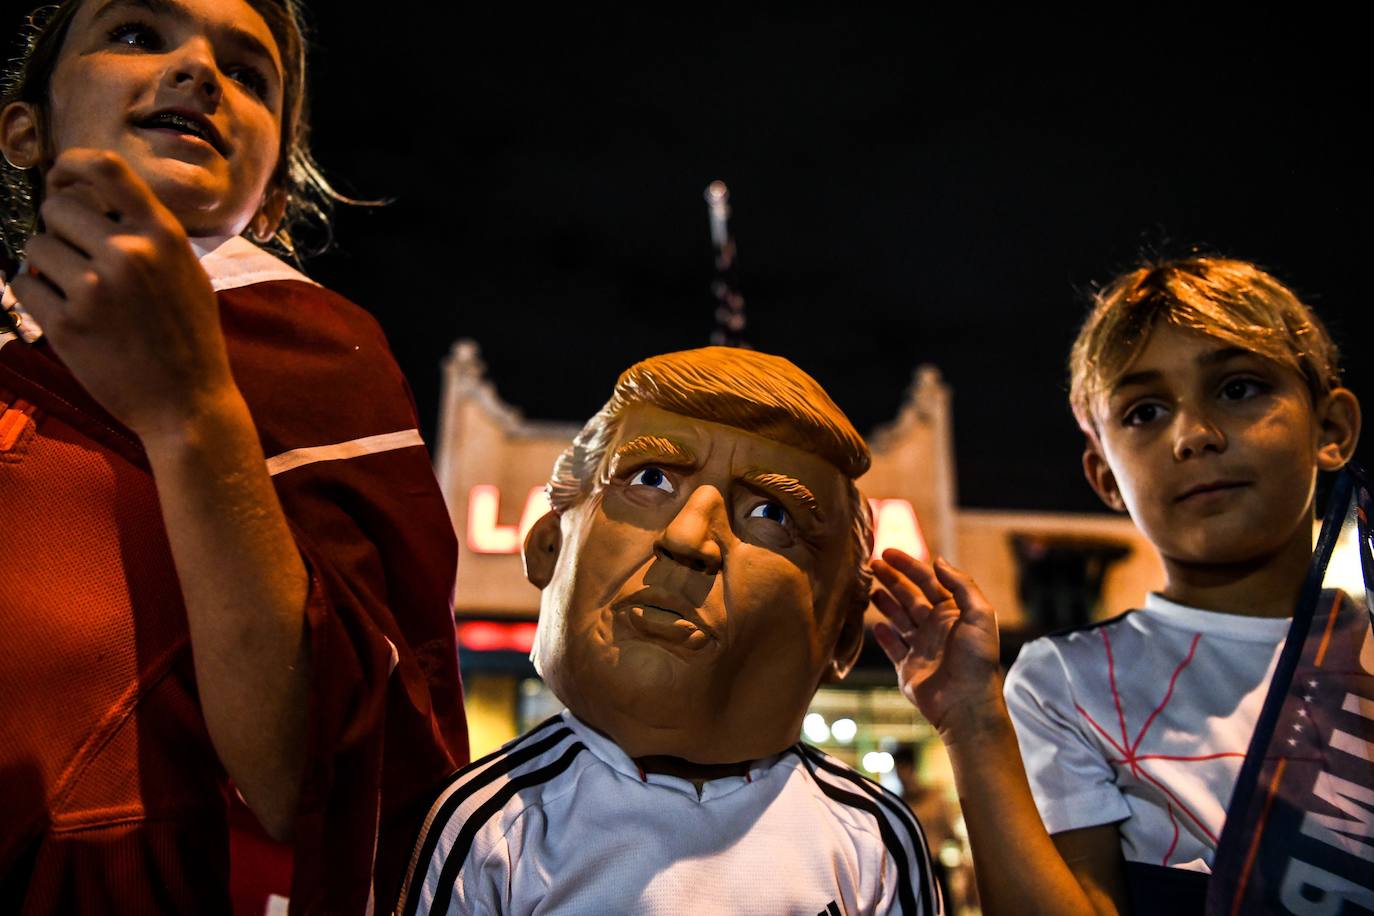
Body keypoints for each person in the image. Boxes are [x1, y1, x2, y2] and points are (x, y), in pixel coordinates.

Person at [0, 1, 467, 912]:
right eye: (136, 33)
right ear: (24, 128)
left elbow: (325, 775)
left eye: (249, 76)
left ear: (275, 193)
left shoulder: (323, 358)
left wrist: (191, 410)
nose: (199, 74)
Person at [869, 256, 1362, 915]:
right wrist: (973, 723)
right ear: (1104, 477)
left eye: (1238, 389)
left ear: (1331, 429)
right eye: (1145, 411)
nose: (1194, 435)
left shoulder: (1360, 654)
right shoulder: (1069, 684)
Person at [397, 347, 940, 915]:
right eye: (650, 478)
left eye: (771, 514)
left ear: (844, 634)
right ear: (548, 547)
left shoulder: (872, 840)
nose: (687, 538)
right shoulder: (492, 824)